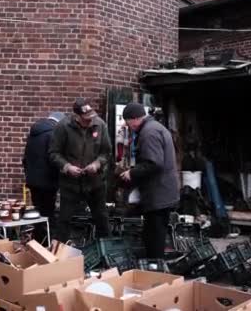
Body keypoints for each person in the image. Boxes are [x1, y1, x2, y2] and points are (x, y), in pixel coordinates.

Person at [119, 103, 179, 259]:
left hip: (158, 193)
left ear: (134, 119)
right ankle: (155, 267)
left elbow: (154, 163)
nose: (128, 126)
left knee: (154, 236)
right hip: (163, 192)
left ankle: (154, 269)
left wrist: (132, 173)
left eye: (127, 122)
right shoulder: (156, 127)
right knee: (154, 233)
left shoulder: (148, 133)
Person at [49, 98, 112, 242]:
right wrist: (67, 167)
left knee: (102, 218)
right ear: (76, 117)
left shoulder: (100, 125)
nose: (90, 121)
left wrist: (97, 164)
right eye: (86, 119)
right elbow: (53, 153)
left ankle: (106, 252)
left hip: (95, 182)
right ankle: (58, 253)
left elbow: (106, 152)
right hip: (70, 184)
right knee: (64, 220)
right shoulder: (63, 127)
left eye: (92, 117)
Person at [23, 111, 66, 244]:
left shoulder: (34, 133)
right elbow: (53, 159)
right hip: (48, 182)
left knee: (38, 213)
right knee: (48, 214)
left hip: (32, 181)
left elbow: (25, 159)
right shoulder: (53, 134)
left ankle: (37, 242)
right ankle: (48, 244)